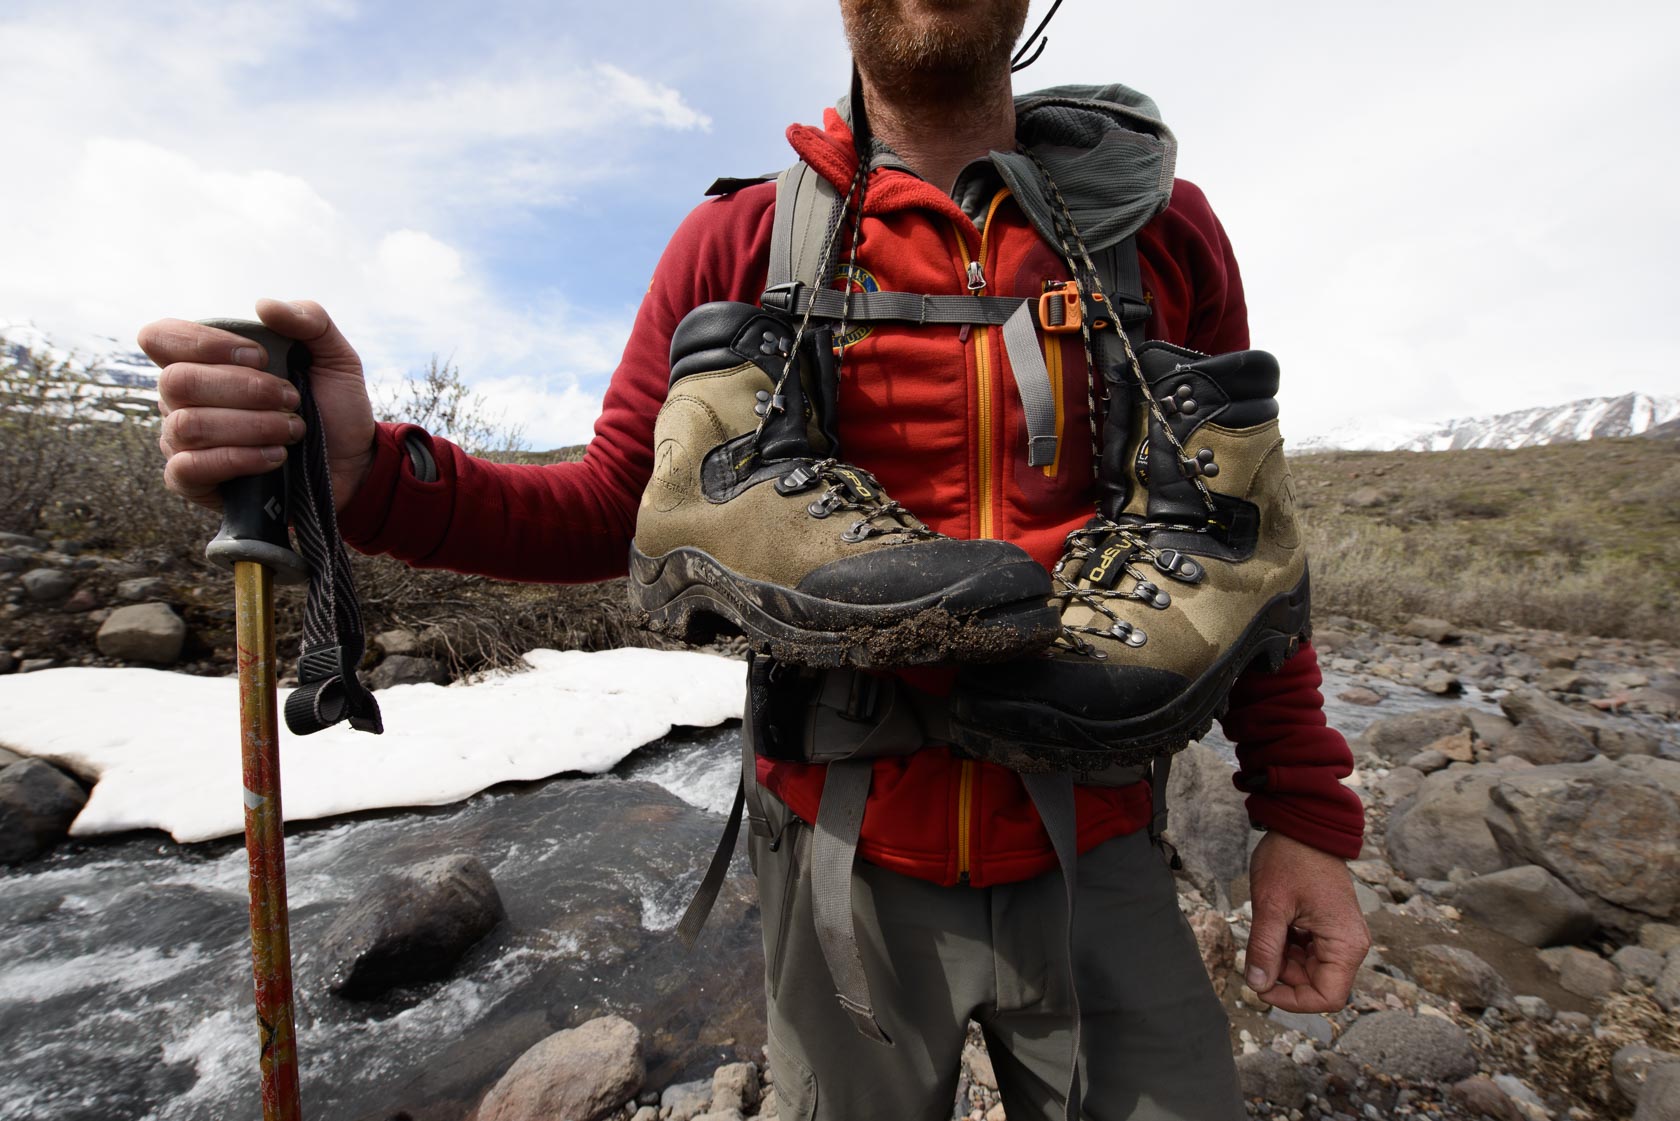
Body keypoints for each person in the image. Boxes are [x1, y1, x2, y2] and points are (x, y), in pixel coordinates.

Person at [139, 2, 1370, 1117]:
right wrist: (363, 477)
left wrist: (1304, 818)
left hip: (1101, 841)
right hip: (839, 862)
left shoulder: (1161, 232)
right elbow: (615, 506)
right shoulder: (739, 240)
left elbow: (1229, 540)